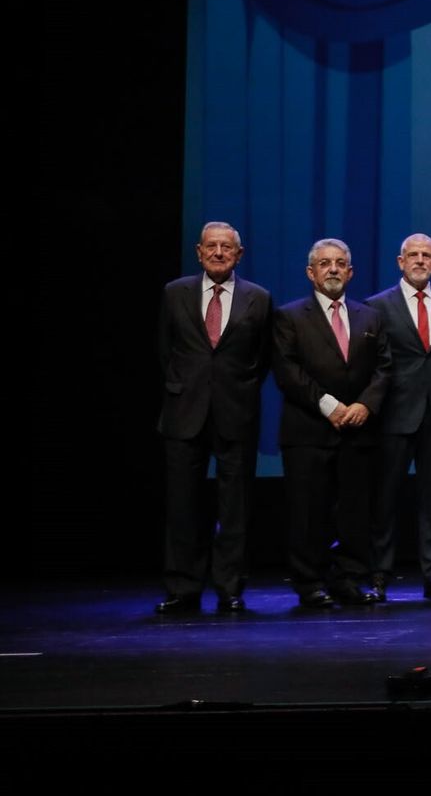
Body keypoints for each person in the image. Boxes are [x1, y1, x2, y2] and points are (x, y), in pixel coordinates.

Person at [154, 221, 273, 614]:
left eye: (227, 247)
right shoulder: (175, 293)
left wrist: (238, 391)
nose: (219, 252)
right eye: (212, 246)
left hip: (235, 414)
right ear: (198, 252)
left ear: (239, 254)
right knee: (182, 505)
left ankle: (229, 587)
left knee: (234, 506)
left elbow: (263, 358)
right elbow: (165, 350)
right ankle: (183, 588)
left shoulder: (258, 298)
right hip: (184, 413)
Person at [272, 238, 391, 608]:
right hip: (309, 430)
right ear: (311, 272)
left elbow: (385, 367)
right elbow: (288, 371)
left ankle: (349, 580)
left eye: (340, 263)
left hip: (357, 431)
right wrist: (330, 406)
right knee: (308, 512)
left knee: (355, 511)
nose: (334, 269)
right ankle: (310, 583)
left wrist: (365, 405)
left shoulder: (369, 316)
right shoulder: (289, 316)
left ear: (351, 272)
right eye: (325, 264)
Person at [366, 233, 431, 601]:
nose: (420, 260)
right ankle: (379, 576)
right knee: (385, 498)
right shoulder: (377, 306)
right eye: (413, 255)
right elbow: (374, 362)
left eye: (427, 256)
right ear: (400, 261)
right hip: (393, 415)